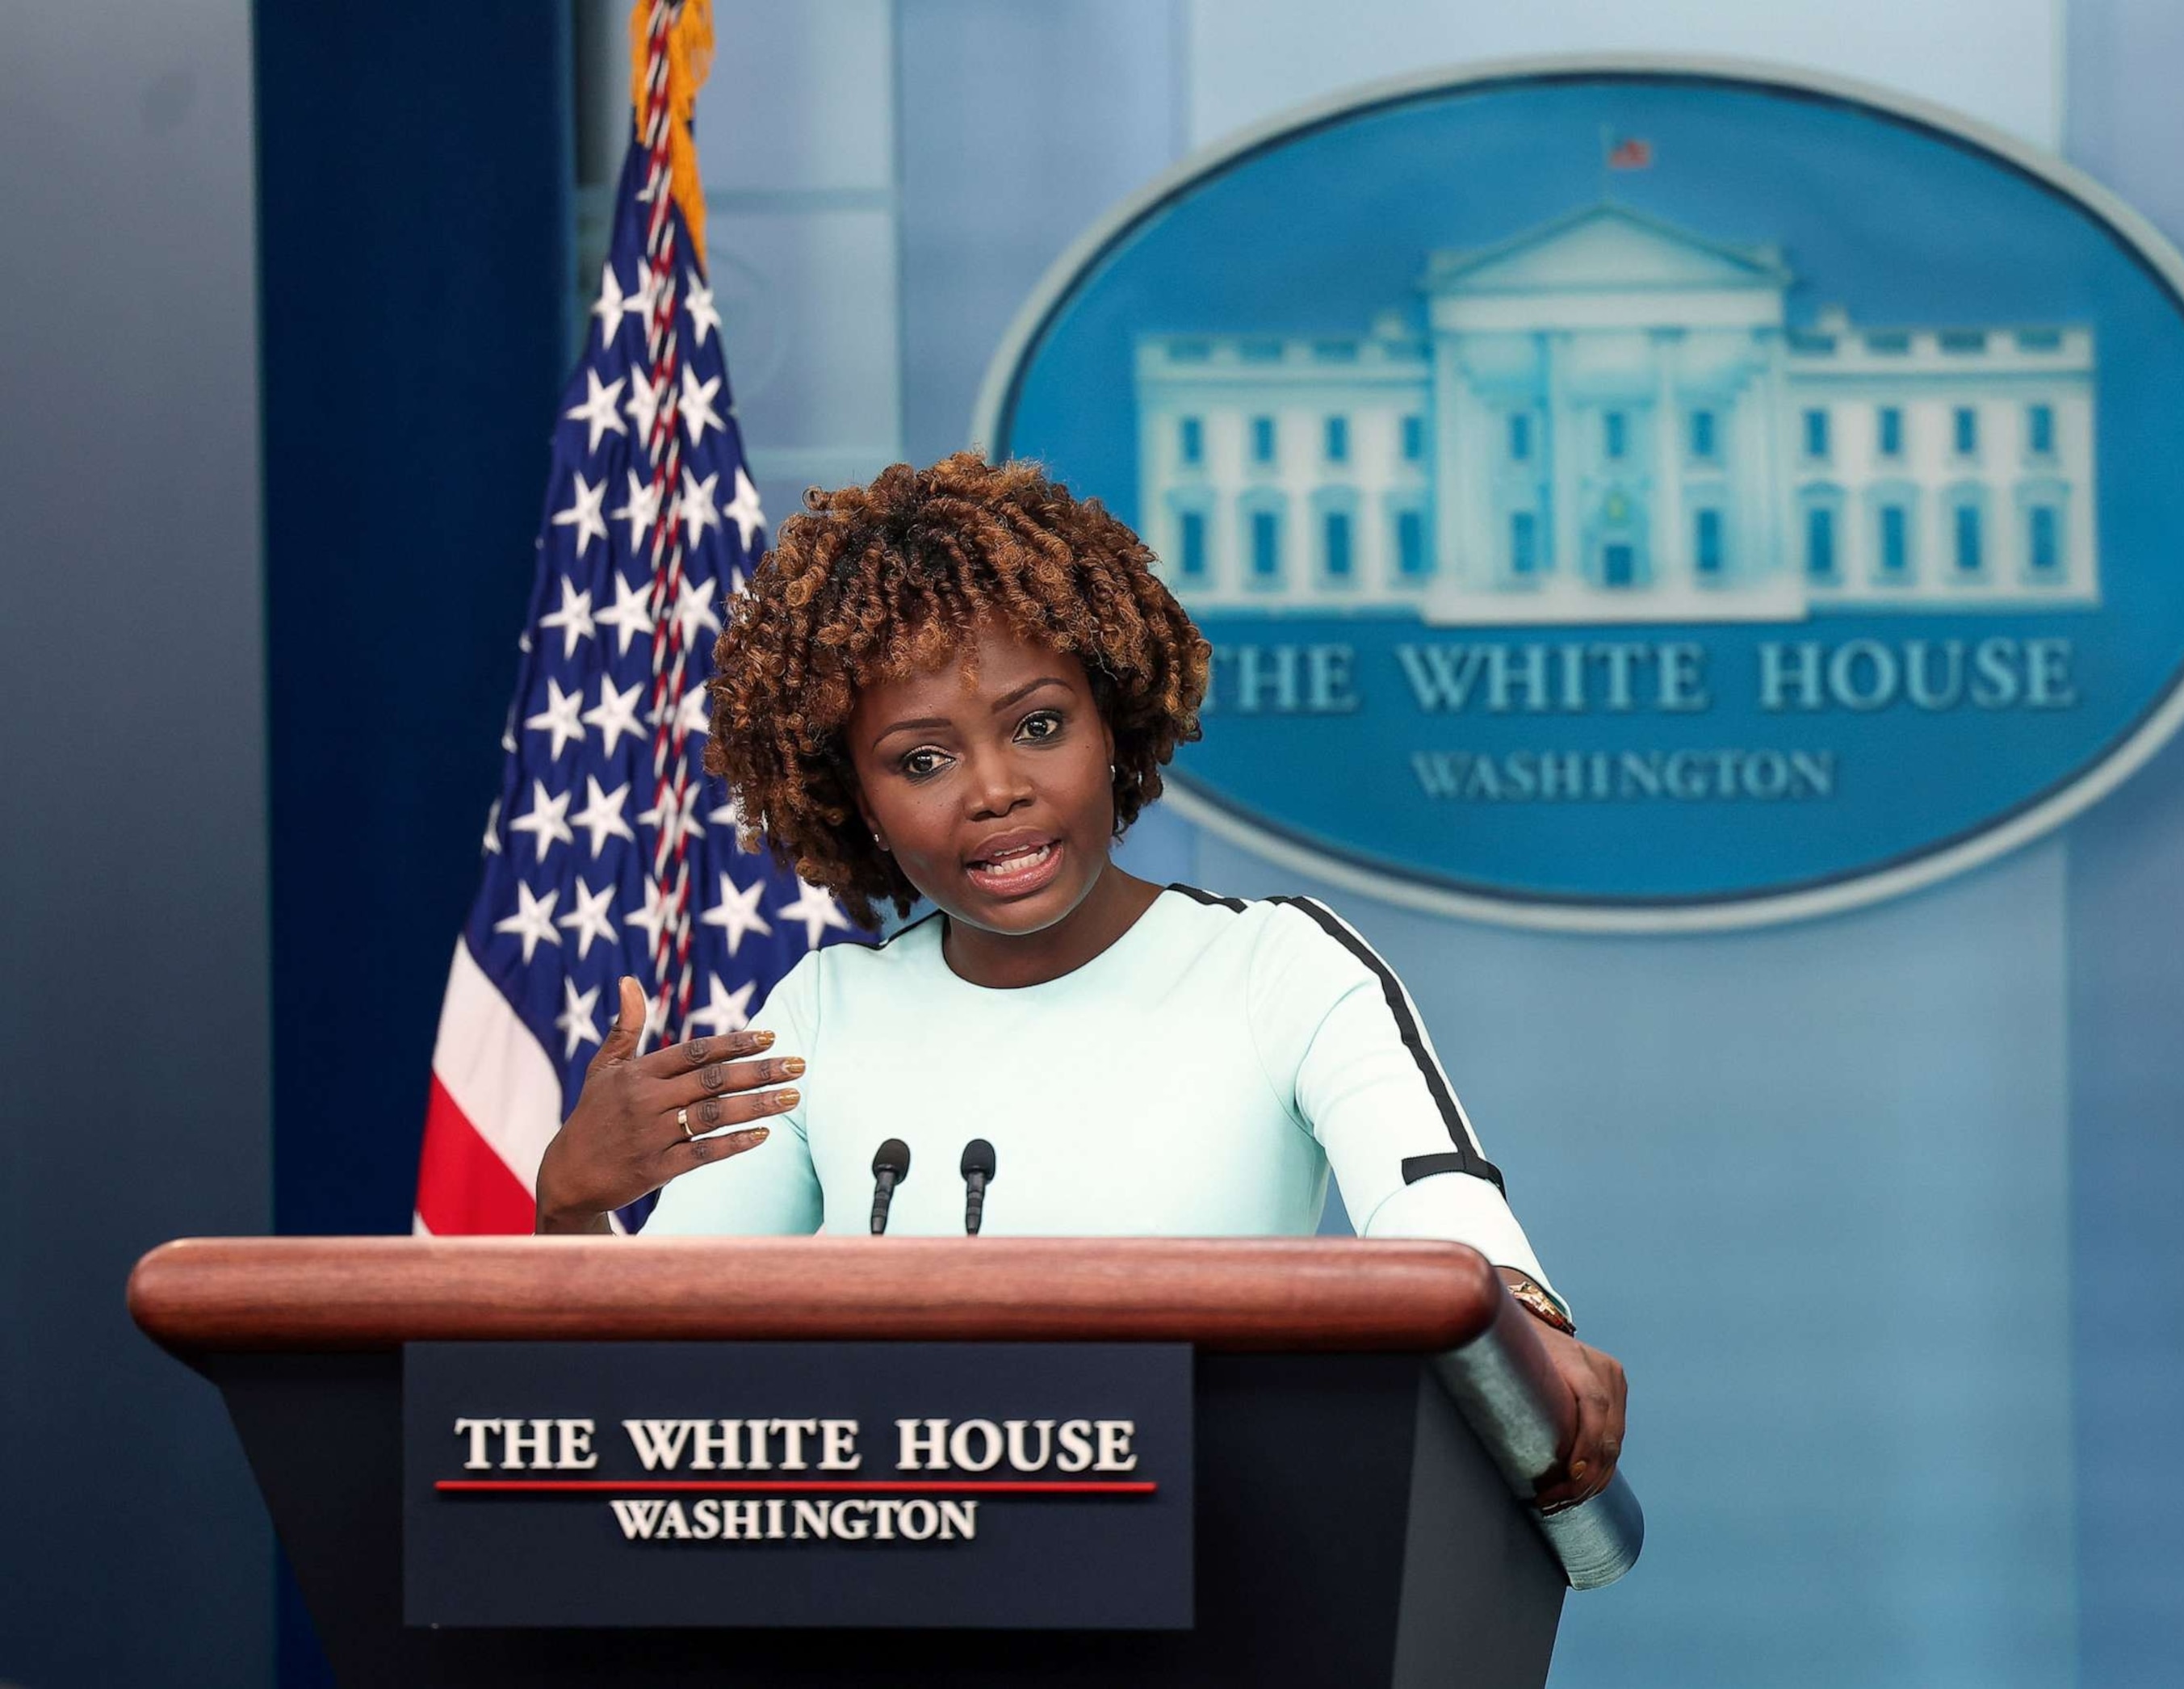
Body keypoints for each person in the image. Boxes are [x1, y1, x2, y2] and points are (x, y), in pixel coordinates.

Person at [534, 452, 1627, 1509]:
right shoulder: (822, 1015)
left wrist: (1524, 1324)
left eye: (1039, 726)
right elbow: (654, 1379)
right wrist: (573, 1206)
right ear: (855, 799)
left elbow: (1433, 1198)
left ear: (1113, 725)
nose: (996, 789)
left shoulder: (1277, 967)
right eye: (923, 760)